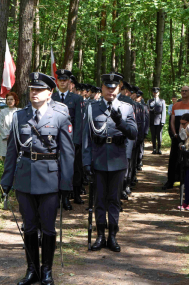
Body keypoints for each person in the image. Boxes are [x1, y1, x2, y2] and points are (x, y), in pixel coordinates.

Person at [0, 72, 74, 285]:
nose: (34, 93)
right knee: (30, 226)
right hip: (24, 179)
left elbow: (67, 153)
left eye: (39, 90)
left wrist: (66, 183)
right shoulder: (19, 117)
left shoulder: (59, 116)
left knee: (48, 227)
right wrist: (6, 181)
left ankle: (47, 271)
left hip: (50, 178)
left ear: (49, 93)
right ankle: (32, 269)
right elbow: (13, 152)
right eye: (32, 89)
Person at [82, 73, 137, 252]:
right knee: (99, 200)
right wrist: (86, 162)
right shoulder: (91, 108)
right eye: (107, 87)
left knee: (114, 200)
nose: (110, 91)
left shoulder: (127, 108)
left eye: (114, 88)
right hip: (97, 159)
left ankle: (112, 236)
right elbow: (86, 138)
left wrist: (120, 121)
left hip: (117, 159)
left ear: (119, 88)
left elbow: (133, 134)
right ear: (102, 88)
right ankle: (100, 236)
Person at [51, 69, 84, 208]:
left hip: (71, 141)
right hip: (55, 141)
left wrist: (76, 141)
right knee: (56, 169)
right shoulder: (52, 98)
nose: (62, 82)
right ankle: (56, 196)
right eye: (60, 80)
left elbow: (79, 122)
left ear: (69, 82)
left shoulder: (76, 99)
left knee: (71, 170)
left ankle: (67, 197)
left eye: (65, 80)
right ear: (57, 82)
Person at [163, 86, 189, 190]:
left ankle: (185, 183)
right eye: (182, 91)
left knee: (188, 160)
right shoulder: (176, 105)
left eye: (186, 91)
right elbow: (172, 121)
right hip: (177, 137)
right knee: (173, 158)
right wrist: (175, 134)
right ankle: (170, 181)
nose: (184, 92)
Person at [178, 113, 189, 210]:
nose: (182, 125)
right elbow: (182, 138)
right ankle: (185, 201)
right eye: (181, 123)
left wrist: (188, 129)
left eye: (184, 123)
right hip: (185, 158)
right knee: (186, 181)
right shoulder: (185, 129)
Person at [0, 92, 21, 160]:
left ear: (15, 100)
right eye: (8, 99)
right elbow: (0, 124)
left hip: (16, 138)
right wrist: (6, 134)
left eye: (11, 99)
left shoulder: (19, 111)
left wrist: (13, 134)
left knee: (16, 157)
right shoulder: (3, 111)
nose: (9, 101)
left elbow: (20, 125)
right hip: (5, 138)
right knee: (5, 158)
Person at [148, 87, 166, 154]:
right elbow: (148, 111)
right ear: (153, 93)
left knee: (159, 136)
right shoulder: (149, 101)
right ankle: (154, 149)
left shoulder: (162, 101)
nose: (155, 94)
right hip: (152, 120)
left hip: (159, 120)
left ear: (159, 93)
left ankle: (159, 149)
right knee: (153, 136)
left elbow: (163, 111)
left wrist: (163, 121)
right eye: (154, 93)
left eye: (156, 92)